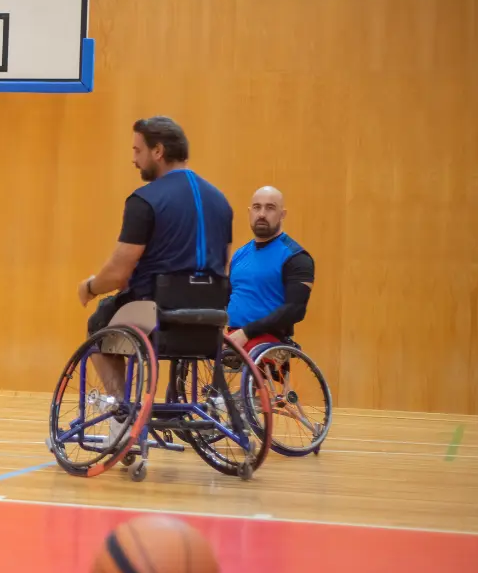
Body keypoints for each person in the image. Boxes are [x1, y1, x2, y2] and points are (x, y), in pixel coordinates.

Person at [77, 116, 234, 398]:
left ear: (158, 151)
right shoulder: (221, 201)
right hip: (211, 315)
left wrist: (89, 287)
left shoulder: (144, 200)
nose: (134, 159)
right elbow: (224, 265)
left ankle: (123, 415)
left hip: (157, 312)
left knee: (99, 323)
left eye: (138, 151)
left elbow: (118, 274)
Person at [225, 186, 314, 353]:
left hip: (269, 340)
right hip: (233, 336)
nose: (262, 214)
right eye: (257, 207)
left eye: (270, 208)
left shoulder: (297, 257)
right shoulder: (239, 254)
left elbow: (295, 310)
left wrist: (247, 332)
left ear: (282, 214)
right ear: (250, 212)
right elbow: (225, 298)